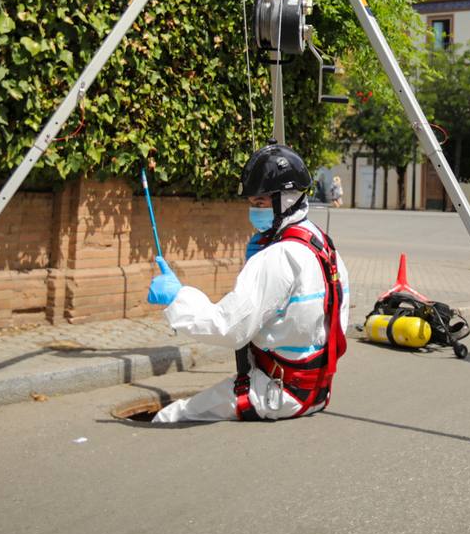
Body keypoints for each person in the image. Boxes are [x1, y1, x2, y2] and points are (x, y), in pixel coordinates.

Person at [147, 143, 350, 422]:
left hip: (275, 392)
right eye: (252, 203)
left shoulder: (277, 256)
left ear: (286, 199)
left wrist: (177, 297)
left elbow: (229, 328)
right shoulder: (321, 242)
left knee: (171, 416)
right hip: (316, 391)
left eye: (260, 203)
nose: (254, 211)